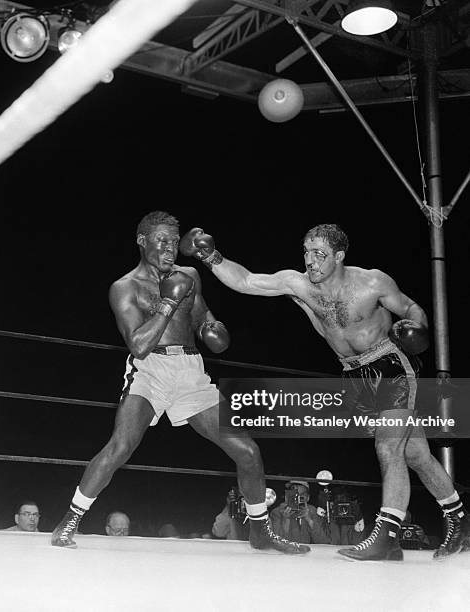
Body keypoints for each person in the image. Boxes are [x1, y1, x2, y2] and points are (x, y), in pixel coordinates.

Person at [180, 223, 469, 561]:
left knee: (388, 448)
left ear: (339, 256)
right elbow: (246, 281)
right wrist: (209, 255)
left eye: (319, 254)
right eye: (306, 252)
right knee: (415, 454)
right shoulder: (300, 284)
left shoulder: (372, 282)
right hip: (353, 374)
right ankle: (461, 520)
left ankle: (387, 536)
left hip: (389, 363)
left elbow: (410, 307)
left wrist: (417, 329)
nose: (310, 261)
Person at [51, 211, 309, 556]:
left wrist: (212, 330)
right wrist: (170, 302)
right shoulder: (124, 287)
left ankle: (260, 531)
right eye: (161, 240)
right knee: (120, 447)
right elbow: (139, 344)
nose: (169, 248)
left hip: (190, 370)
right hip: (150, 369)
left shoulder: (189, 276)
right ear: (142, 241)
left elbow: (206, 322)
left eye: (174, 241)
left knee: (248, 451)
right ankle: (70, 518)